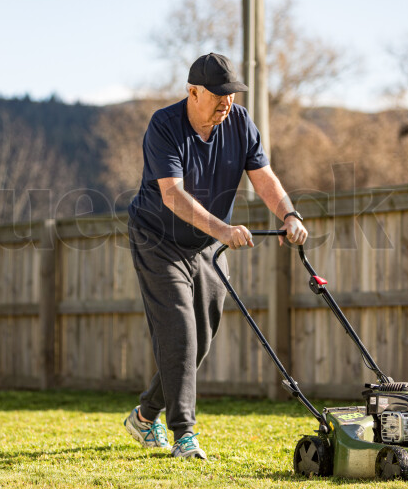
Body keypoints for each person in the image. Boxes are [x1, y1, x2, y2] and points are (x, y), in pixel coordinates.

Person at [122, 52, 308, 459]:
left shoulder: (238, 122)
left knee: (201, 337)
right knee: (179, 331)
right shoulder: (165, 126)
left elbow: (263, 177)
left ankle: (144, 415)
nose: (228, 103)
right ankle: (184, 434)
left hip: (206, 245)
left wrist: (288, 214)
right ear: (193, 92)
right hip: (158, 239)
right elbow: (171, 194)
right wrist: (223, 229)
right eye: (219, 96)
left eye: (232, 96)